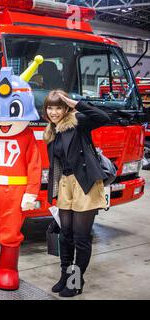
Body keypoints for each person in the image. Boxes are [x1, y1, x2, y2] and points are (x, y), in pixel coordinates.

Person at [43, 89, 110, 297]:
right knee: (65, 235)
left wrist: (76, 103)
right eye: (50, 108)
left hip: (85, 183)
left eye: (58, 107)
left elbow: (103, 117)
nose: (54, 112)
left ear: (66, 108)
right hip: (65, 183)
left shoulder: (78, 121)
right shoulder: (51, 131)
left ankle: (77, 279)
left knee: (81, 237)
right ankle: (65, 275)